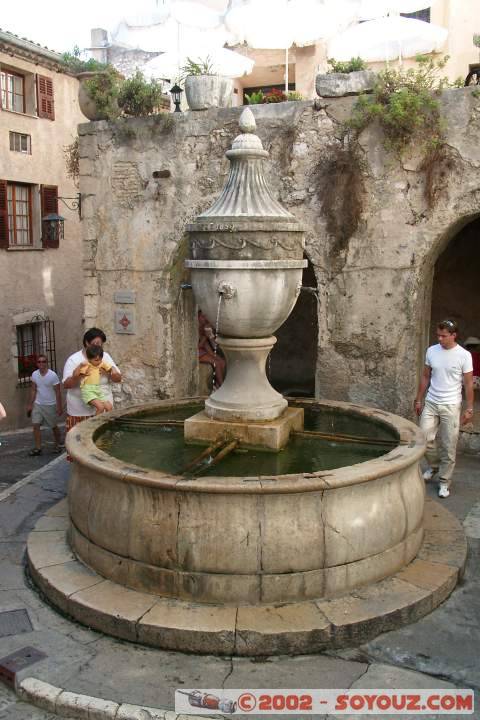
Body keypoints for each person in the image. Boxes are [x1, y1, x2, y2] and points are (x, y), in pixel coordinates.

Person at [415, 319, 474, 498]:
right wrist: (419, 399)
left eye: (444, 336)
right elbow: (426, 376)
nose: (440, 339)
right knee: (424, 439)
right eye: (438, 335)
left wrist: (469, 408)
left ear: (454, 335)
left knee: (449, 445)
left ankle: (444, 481)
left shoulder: (464, 355)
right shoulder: (432, 351)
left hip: (451, 405)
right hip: (432, 402)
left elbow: (468, 383)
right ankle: (434, 468)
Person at [63, 328, 121, 436]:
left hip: (104, 406)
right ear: (86, 342)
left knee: (103, 443)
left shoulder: (105, 357)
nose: (99, 346)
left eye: (101, 344)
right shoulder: (74, 360)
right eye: (96, 343)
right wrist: (78, 376)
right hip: (79, 412)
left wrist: (109, 373)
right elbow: (66, 385)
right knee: (79, 443)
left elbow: (118, 378)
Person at [27, 355, 63, 455]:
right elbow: (33, 390)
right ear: (37, 364)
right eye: (39, 362)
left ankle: (57, 444)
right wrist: (30, 404)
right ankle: (38, 448)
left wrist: (59, 407)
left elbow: (58, 392)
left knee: (53, 426)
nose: (41, 364)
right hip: (38, 404)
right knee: (35, 425)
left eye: (43, 362)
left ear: (47, 363)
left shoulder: (52, 375)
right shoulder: (34, 374)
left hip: (50, 404)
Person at [73, 345, 113, 415]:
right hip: (88, 390)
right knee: (100, 407)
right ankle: (96, 423)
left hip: (97, 389)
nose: (99, 362)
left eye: (100, 359)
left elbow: (111, 369)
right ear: (89, 359)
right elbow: (75, 375)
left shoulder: (101, 363)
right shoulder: (87, 365)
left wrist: (106, 371)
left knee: (109, 407)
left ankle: (106, 422)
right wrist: (80, 366)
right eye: (96, 360)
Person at [198, 310, 225, 388]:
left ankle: (217, 383)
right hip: (196, 352)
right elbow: (198, 347)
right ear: (198, 316)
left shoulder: (203, 327)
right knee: (216, 363)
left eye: (205, 316)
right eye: (202, 316)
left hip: (202, 350)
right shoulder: (195, 327)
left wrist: (211, 335)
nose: (205, 318)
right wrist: (205, 337)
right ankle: (221, 386)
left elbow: (209, 346)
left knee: (222, 362)